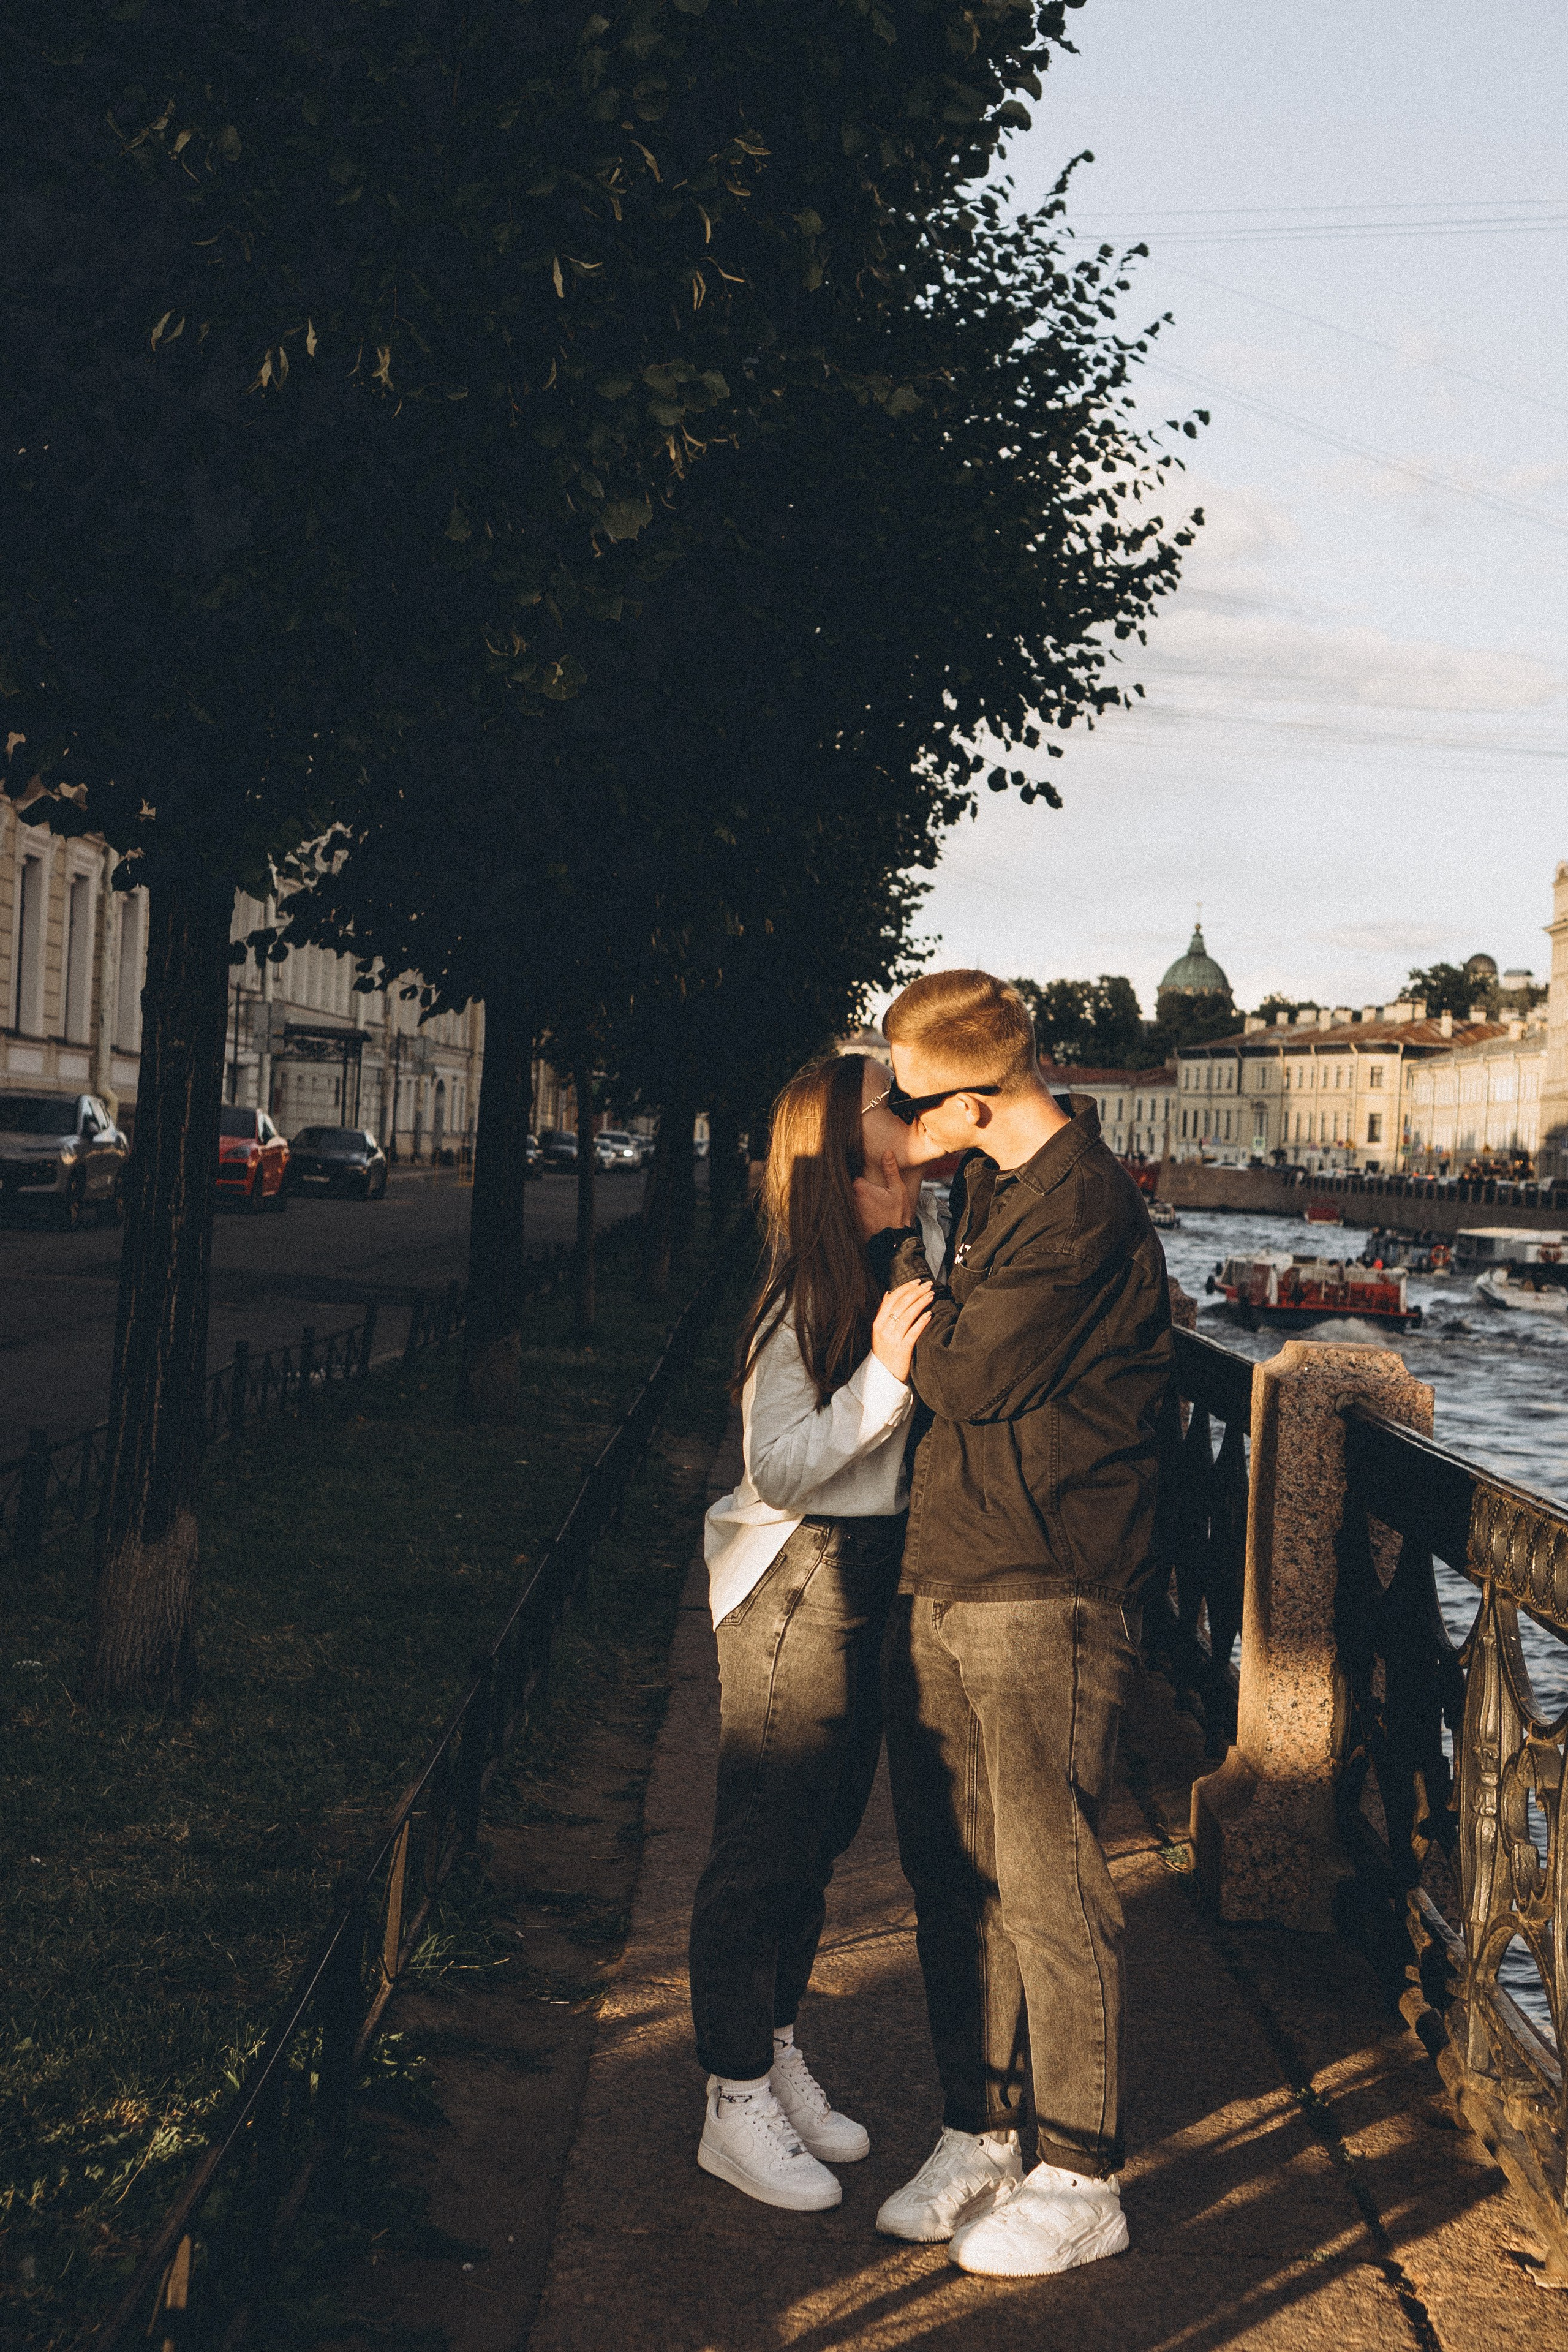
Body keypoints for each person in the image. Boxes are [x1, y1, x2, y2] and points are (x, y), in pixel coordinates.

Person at [853, 970, 1171, 2278]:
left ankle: (1083, 2175)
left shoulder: (1084, 1206)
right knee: (953, 1875)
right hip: (953, 1562)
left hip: (1049, 1581)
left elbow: (970, 1371)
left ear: (975, 1100)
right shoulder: (987, 1186)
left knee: (1049, 1884)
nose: (901, 1125)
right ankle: (980, 2132)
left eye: (914, 1104)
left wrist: (899, 1307)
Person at [690, 1051, 949, 2212]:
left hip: (864, 1571)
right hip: (794, 1577)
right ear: (835, 1171)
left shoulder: (902, 1249)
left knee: (821, 1838)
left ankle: (774, 2043)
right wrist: (884, 1378)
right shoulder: (798, 1298)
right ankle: (732, 2093)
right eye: (888, 1166)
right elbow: (780, 1468)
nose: (912, 1181)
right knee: (764, 1845)